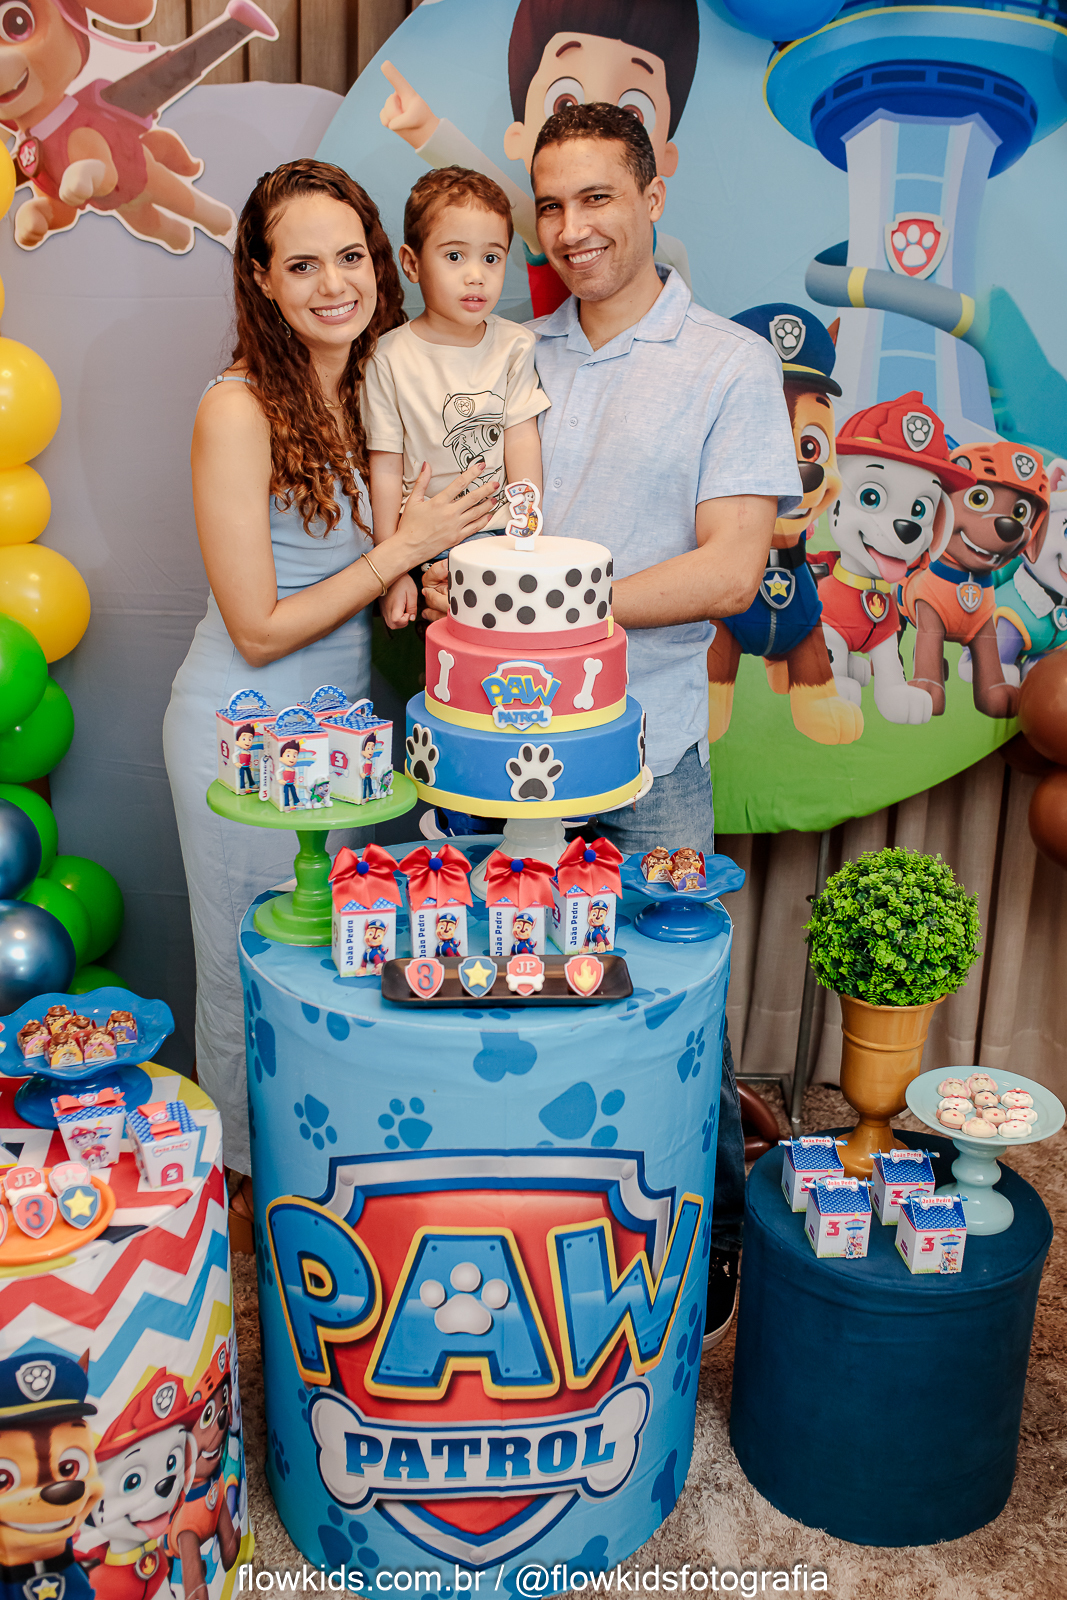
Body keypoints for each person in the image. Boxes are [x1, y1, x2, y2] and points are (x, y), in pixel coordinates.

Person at [423, 104, 801, 1347]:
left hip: (647, 755)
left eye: (596, 197)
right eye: (550, 203)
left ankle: (714, 1242)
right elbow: (455, 518)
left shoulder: (727, 364)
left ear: (651, 194)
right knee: (491, 992)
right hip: (488, 754)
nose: (571, 226)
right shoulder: (503, 354)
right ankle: (524, 1236)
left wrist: (540, 606)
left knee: (673, 1008)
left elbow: (730, 570)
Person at [163, 159, 500, 1186]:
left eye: (349, 257)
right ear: (260, 279)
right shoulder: (236, 409)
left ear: (380, 265)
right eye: (301, 265)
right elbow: (258, 628)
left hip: (347, 741)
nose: (332, 284)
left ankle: (324, 1182)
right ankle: (243, 1203)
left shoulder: (377, 385)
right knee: (248, 976)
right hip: (245, 735)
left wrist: (423, 576)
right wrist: (399, 553)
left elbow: (383, 571)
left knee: (330, 968)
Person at [377, 0, 701, 314]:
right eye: (564, 103)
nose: (573, 231)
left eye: (633, 112)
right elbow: (494, 190)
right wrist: (425, 130)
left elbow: (683, 318)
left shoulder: (671, 255)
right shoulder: (551, 227)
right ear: (518, 138)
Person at [363, 166, 550, 630]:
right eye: (454, 256)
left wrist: (526, 529)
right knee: (446, 652)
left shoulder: (514, 345)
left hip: (498, 535)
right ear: (412, 264)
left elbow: (521, 437)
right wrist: (392, 571)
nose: (476, 276)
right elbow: (384, 466)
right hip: (421, 543)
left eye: (491, 258)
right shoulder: (388, 357)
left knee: (506, 646)